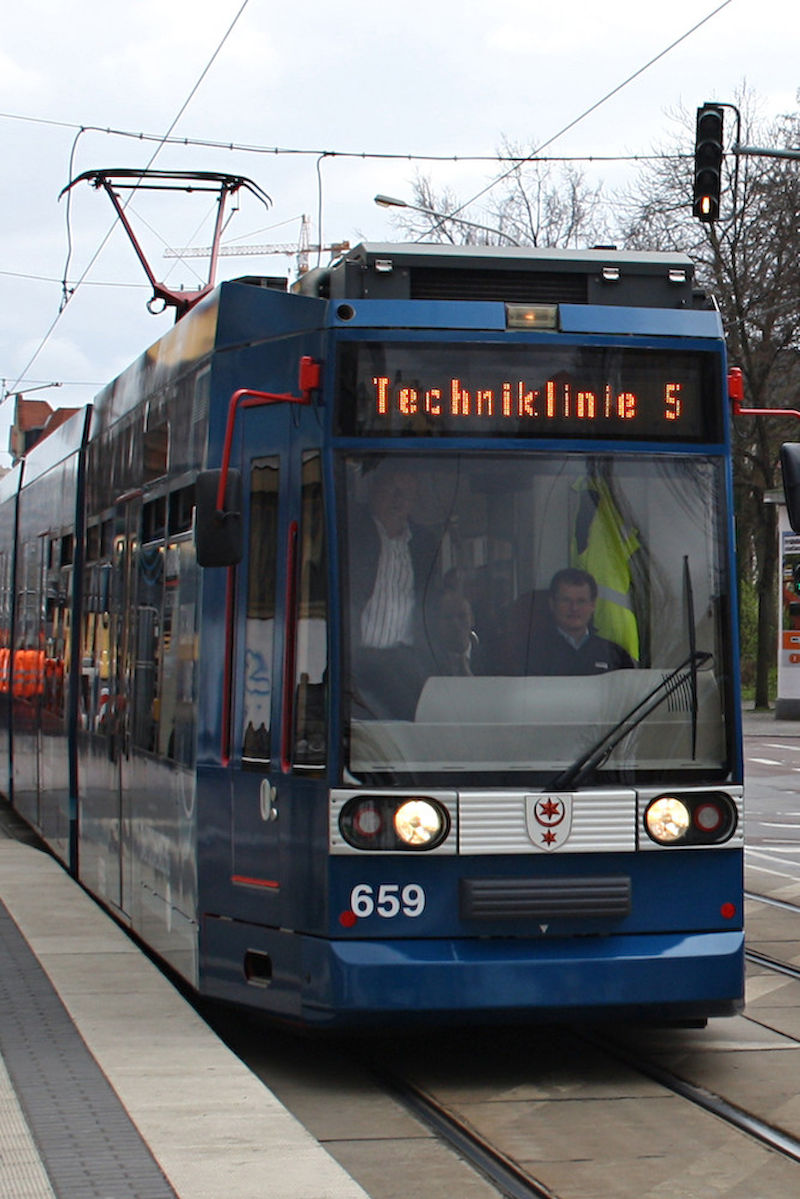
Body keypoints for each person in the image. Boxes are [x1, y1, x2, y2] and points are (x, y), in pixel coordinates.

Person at [348, 465, 437, 718]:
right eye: (393, 491)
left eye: (407, 494)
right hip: (358, 656)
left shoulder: (423, 543)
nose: (399, 501)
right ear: (375, 492)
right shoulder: (353, 532)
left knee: (425, 714)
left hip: (404, 657)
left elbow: (430, 601)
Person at [528, 567, 635, 676]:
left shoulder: (614, 654)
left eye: (581, 601)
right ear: (552, 604)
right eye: (566, 600)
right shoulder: (532, 653)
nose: (574, 608)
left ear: (593, 605)